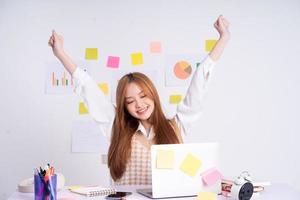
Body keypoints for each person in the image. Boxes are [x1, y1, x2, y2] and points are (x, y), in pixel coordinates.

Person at [48, 15, 230, 185]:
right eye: (130, 101)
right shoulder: (115, 127)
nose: (139, 104)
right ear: (124, 106)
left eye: (143, 96)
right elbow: (87, 87)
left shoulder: (177, 126)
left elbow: (198, 85)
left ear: (153, 95)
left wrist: (223, 38)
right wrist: (60, 54)